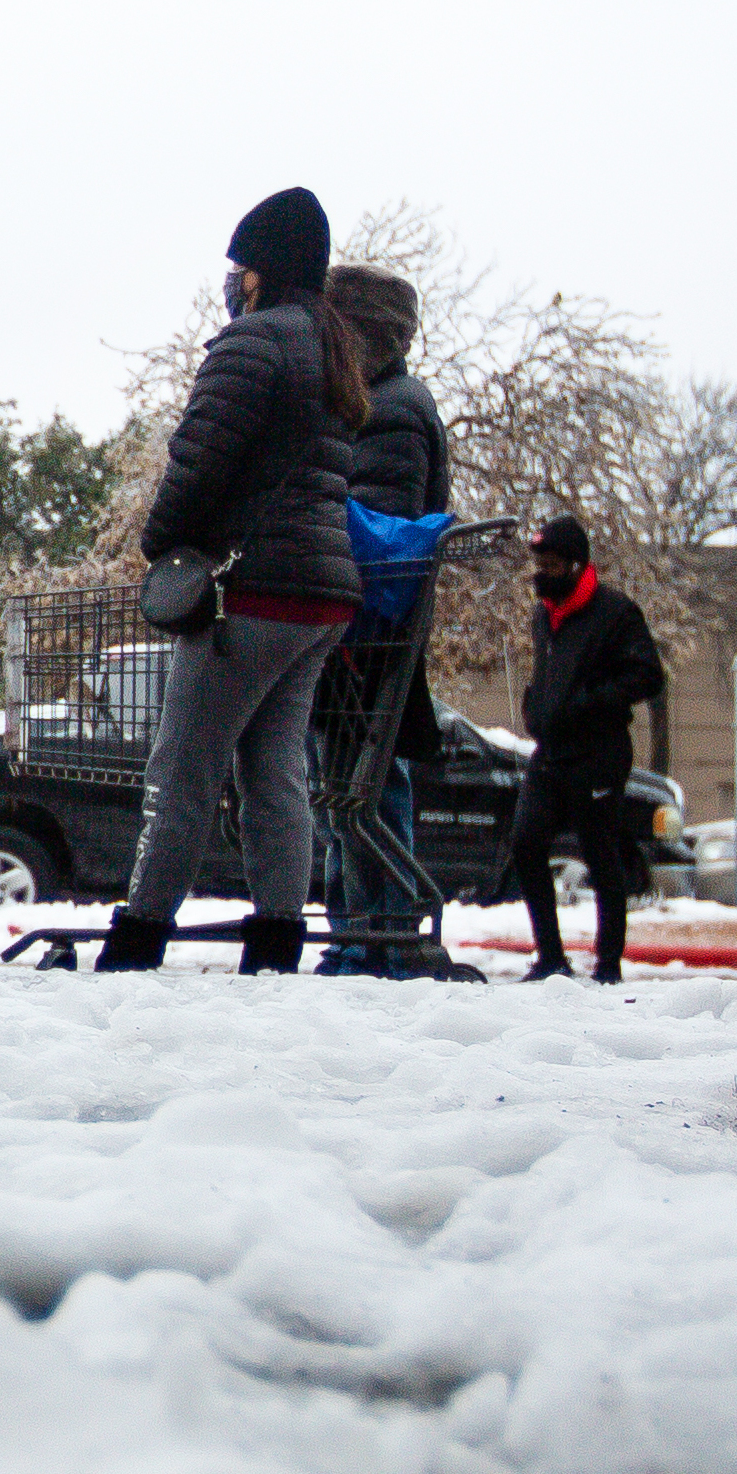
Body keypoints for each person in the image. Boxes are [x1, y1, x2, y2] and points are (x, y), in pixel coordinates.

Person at [105, 187, 362, 974]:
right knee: (275, 772)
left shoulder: (250, 344)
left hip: (246, 595)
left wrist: (160, 544)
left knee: (182, 767)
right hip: (318, 598)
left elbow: (198, 459)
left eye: (238, 264)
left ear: (262, 271)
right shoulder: (332, 347)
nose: (231, 279)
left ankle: (138, 936)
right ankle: (277, 941)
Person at [316, 262, 452, 972]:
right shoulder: (373, 399)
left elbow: (384, 531)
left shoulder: (390, 408)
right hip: (360, 633)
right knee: (347, 795)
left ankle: (385, 939)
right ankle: (359, 938)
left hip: (367, 635)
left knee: (363, 793)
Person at [499, 512, 666, 982]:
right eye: (539, 563)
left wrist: (590, 702)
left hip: (598, 754)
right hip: (549, 753)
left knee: (599, 849)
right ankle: (551, 958)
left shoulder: (615, 613)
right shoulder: (542, 615)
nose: (541, 574)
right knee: (526, 843)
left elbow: (648, 676)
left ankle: (608, 964)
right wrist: (537, 707)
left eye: (551, 565)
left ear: (575, 566)